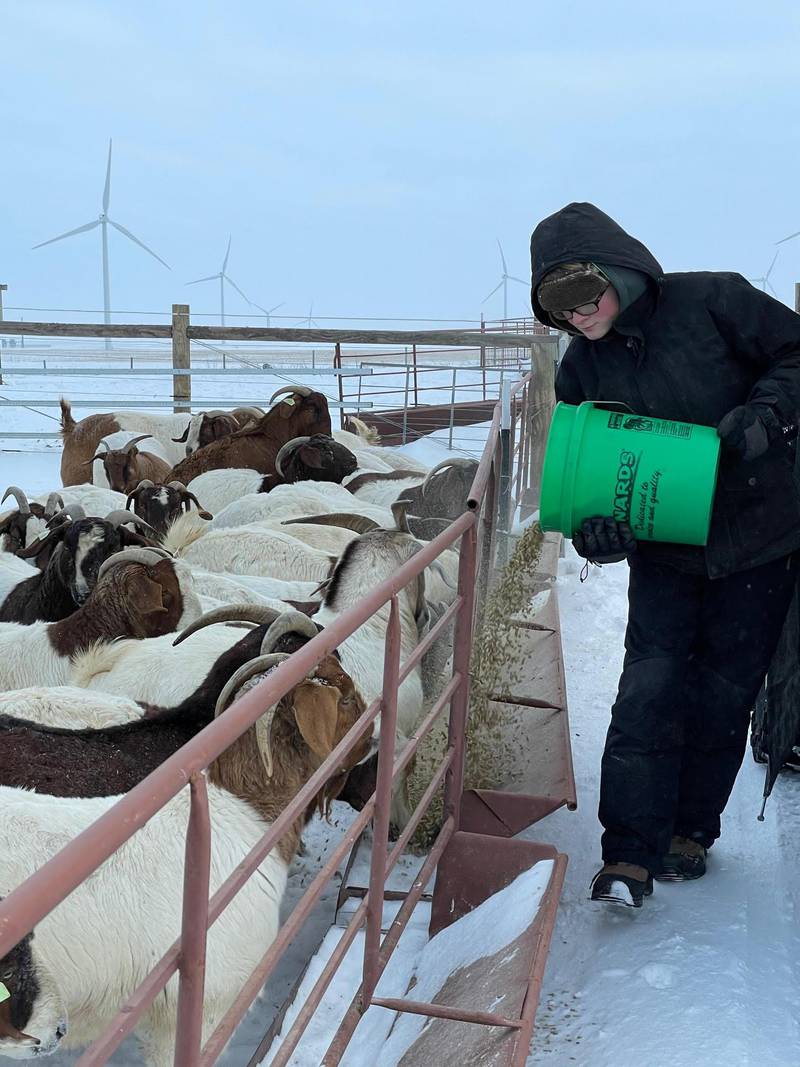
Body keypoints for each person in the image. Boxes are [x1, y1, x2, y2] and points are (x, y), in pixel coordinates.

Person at [529, 202, 800, 908]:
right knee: (648, 690)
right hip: (667, 553)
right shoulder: (582, 370)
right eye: (558, 311)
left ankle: (689, 832)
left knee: (723, 694)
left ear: (616, 271)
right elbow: (587, 475)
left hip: (761, 541)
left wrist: (769, 413)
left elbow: (795, 351)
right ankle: (628, 852)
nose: (578, 318)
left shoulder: (714, 301)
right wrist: (598, 534)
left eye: (583, 298)